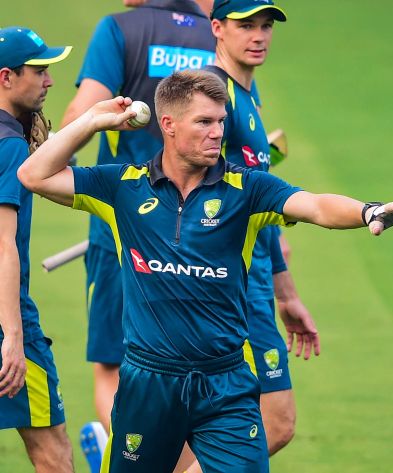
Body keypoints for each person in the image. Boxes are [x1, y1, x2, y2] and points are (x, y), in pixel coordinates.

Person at [19, 69, 393, 473]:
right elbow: (33, 174)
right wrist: (93, 119)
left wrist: (367, 210)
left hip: (224, 385)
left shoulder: (248, 190)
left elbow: (315, 206)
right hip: (148, 384)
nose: (217, 133)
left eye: (221, 122)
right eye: (204, 122)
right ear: (169, 125)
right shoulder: (123, 186)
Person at [59, 1, 221, 470]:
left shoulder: (120, 30)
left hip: (121, 226)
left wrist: (41, 163)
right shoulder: (216, 35)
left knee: (112, 366)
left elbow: (82, 109)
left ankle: (116, 453)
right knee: (192, 371)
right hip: (202, 232)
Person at [204, 0, 317, 458]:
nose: (259, 36)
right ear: (217, 28)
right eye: (245, 25)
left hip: (249, 285)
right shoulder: (213, 92)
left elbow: (260, 212)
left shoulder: (247, 94)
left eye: (266, 26)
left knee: (211, 430)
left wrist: (286, 295)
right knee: (275, 422)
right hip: (225, 290)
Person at [0, 26, 75, 473]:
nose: (48, 81)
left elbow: (60, 167)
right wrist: (12, 336)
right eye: (40, 70)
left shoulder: (17, 137)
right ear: (6, 77)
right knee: (53, 452)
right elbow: (2, 245)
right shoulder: (9, 146)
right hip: (8, 319)